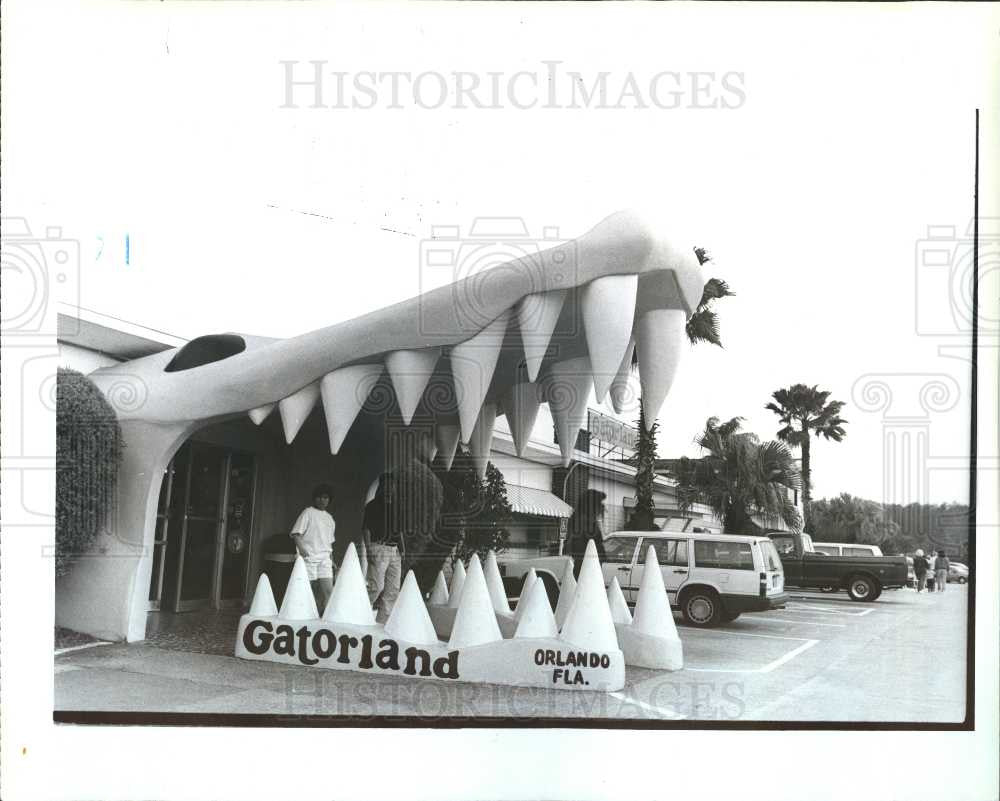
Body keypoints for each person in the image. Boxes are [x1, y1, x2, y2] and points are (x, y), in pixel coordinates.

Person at [290, 484, 336, 613]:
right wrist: (303, 551)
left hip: (324, 558)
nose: (323, 500)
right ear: (315, 498)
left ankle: (326, 618)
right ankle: (301, 614)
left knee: (328, 590)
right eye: (320, 497)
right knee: (306, 588)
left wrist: (332, 559)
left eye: (326, 498)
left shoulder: (330, 519)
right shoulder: (308, 512)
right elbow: (296, 534)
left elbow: (329, 542)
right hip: (308, 557)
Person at [363, 472, 402, 623]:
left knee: (393, 589)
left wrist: (401, 550)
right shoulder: (372, 506)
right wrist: (369, 549)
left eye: (392, 484)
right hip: (378, 547)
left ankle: (382, 622)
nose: (390, 487)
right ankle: (360, 614)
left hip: (394, 550)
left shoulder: (397, 507)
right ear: (382, 486)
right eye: (387, 484)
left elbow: (399, 531)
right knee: (376, 586)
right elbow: (365, 528)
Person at [567, 489, 607, 579]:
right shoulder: (584, 523)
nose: (602, 506)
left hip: (587, 566)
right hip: (587, 568)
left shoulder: (582, 520)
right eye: (599, 503)